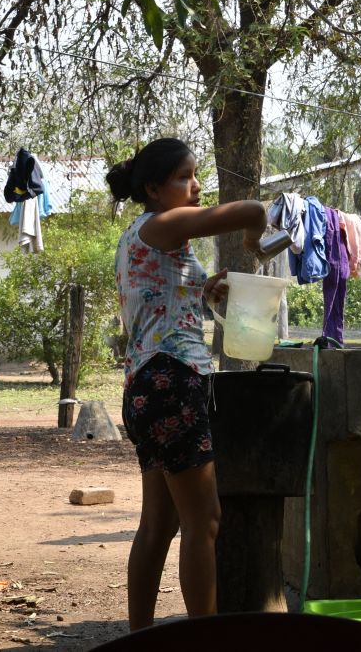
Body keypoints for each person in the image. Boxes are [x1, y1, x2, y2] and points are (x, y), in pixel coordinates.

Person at [106, 138, 266, 630]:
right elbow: (251, 210)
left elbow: (166, 303)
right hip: (172, 381)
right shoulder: (162, 224)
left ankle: (140, 635)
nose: (196, 187)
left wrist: (205, 290)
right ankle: (208, 639)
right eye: (184, 178)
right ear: (153, 189)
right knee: (205, 522)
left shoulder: (150, 237)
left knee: (159, 524)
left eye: (196, 176)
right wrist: (255, 234)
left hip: (147, 382)